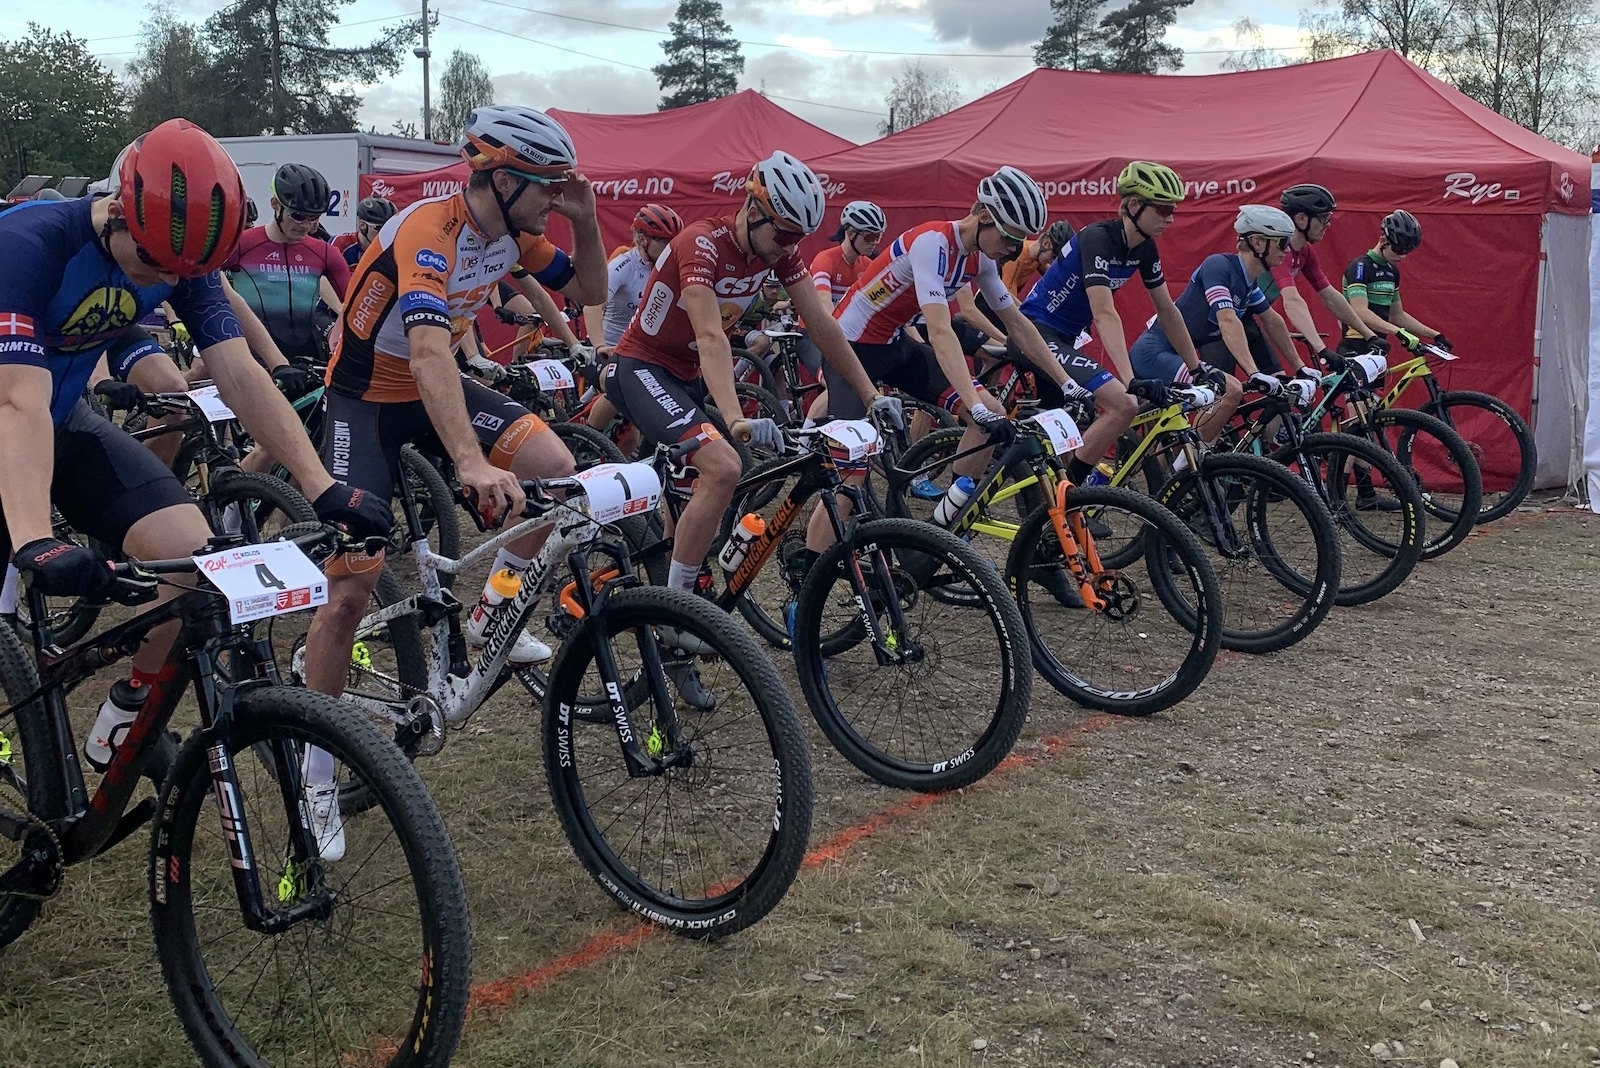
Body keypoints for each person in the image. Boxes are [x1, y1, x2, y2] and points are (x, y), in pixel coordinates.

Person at [0, 119, 390, 789]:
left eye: (180, 272)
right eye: (154, 262)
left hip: (61, 420)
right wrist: (35, 537)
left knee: (195, 563)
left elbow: (238, 374)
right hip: (15, 410)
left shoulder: (187, 259)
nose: (164, 280)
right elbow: (16, 404)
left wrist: (320, 486)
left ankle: (128, 712)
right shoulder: (30, 242)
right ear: (119, 211)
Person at [600, 150, 897, 608]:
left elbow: (822, 325)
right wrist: (736, 418)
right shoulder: (701, 243)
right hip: (642, 365)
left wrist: (870, 394)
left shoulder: (778, 251)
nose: (790, 245)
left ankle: (673, 572)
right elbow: (710, 335)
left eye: (799, 237)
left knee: (691, 490)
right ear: (753, 209)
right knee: (724, 466)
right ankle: (677, 610)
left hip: (686, 374)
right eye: (784, 233)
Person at [1014, 162, 1198, 484]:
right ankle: (1073, 493)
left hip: (1064, 338)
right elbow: (1104, 312)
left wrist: (1197, 368)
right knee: (1123, 404)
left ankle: (1066, 494)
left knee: (1074, 433)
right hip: (1036, 332)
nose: (1170, 218)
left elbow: (1167, 310)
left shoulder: (1144, 248)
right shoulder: (1098, 238)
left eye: (1173, 210)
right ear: (1134, 205)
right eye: (1164, 209)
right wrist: (1130, 379)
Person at [1128, 204, 1302, 442]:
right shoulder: (1219, 266)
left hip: (1180, 354)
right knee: (1230, 390)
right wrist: (1254, 373)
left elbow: (1272, 321)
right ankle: (1192, 462)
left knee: (1210, 408)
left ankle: (1186, 457)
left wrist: (1299, 368)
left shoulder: (1248, 281)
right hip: (1155, 353)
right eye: (1282, 243)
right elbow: (1227, 319)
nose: (1287, 250)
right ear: (1258, 243)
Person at [224, 162, 352, 364]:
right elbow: (200, 287)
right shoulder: (241, 244)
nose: (306, 225)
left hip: (307, 359)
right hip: (254, 358)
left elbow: (354, 305)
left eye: (314, 217)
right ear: (275, 204)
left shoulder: (325, 252)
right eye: (298, 216)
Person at [1340, 209, 1448, 354]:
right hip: (1354, 346)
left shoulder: (1392, 271)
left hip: (1378, 346)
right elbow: (1360, 311)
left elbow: (1397, 315)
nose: (1402, 256)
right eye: (1398, 250)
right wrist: (1397, 331)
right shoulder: (1360, 267)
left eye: (1406, 252)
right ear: (1383, 241)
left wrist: (1435, 335)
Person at [335, 195, 398, 268]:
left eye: (390, 229)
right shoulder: (341, 245)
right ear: (362, 225)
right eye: (380, 228)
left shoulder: (392, 250)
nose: (386, 234)